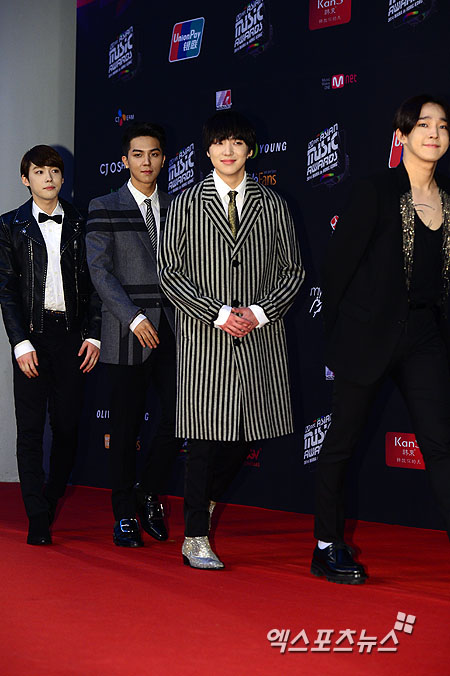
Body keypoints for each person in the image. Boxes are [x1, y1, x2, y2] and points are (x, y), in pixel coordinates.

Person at [312, 94, 450, 584]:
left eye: (442, 125)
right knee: (341, 443)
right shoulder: (375, 190)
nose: (433, 133)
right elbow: (336, 270)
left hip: (425, 337)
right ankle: (326, 546)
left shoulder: (449, 201)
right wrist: (343, 336)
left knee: (441, 443)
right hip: (367, 336)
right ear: (402, 136)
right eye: (423, 125)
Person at [159, 110, 304, 569]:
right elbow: (170, 273)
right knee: (203, 440)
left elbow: (293, 271)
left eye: (237, 143)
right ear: (207, 150)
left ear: (249, 150)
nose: (228, 150)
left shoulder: (273, 204)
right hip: (205, 338)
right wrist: (219, 314)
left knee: (244, 437)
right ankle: (195, 537)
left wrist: (258, 312)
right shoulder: (185, 203)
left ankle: (204, 504)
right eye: (220, 142)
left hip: (259, 338)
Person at [0, 145, 101, 545]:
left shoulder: (82, 221)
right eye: (39, 171)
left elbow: (96, 284)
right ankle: (37, 516)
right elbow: (6, 291)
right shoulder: (9, 225)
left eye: (54, 171)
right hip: (31, 338)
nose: (48, 178)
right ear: (26, 179)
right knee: (29, 429)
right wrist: (19, 343)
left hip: (72, 338)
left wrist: (93, 333)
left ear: (62, 177)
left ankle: (52, 495)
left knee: (67, 426)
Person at [86, 122, 180, 548]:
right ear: (125, 160)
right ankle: (123, 513)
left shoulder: (179, 207)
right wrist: (133, 317)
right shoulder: (104, 205)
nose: (147, 161)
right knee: (124, 429)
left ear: (164, 158)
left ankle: (148, 492)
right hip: (127, 332)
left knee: (181, 418)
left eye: (154, 154)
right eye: (138, 154)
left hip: (175, 330)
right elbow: (100, 272)